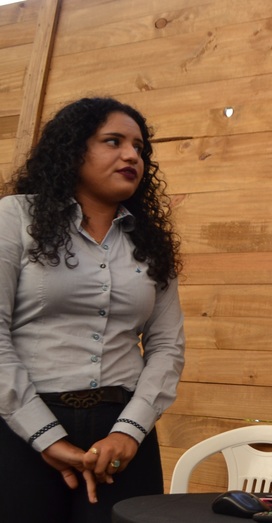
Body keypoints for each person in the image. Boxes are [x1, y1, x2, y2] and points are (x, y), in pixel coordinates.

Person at [0, 97, 185, 522]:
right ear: (72, 149)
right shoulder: (15, 218)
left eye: (139, 147)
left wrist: (128, 433)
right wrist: (44, 436)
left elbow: (166, 347)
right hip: (20, 430)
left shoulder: (151, 243)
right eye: (113, 141)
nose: (131, 156)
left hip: (123, 438)